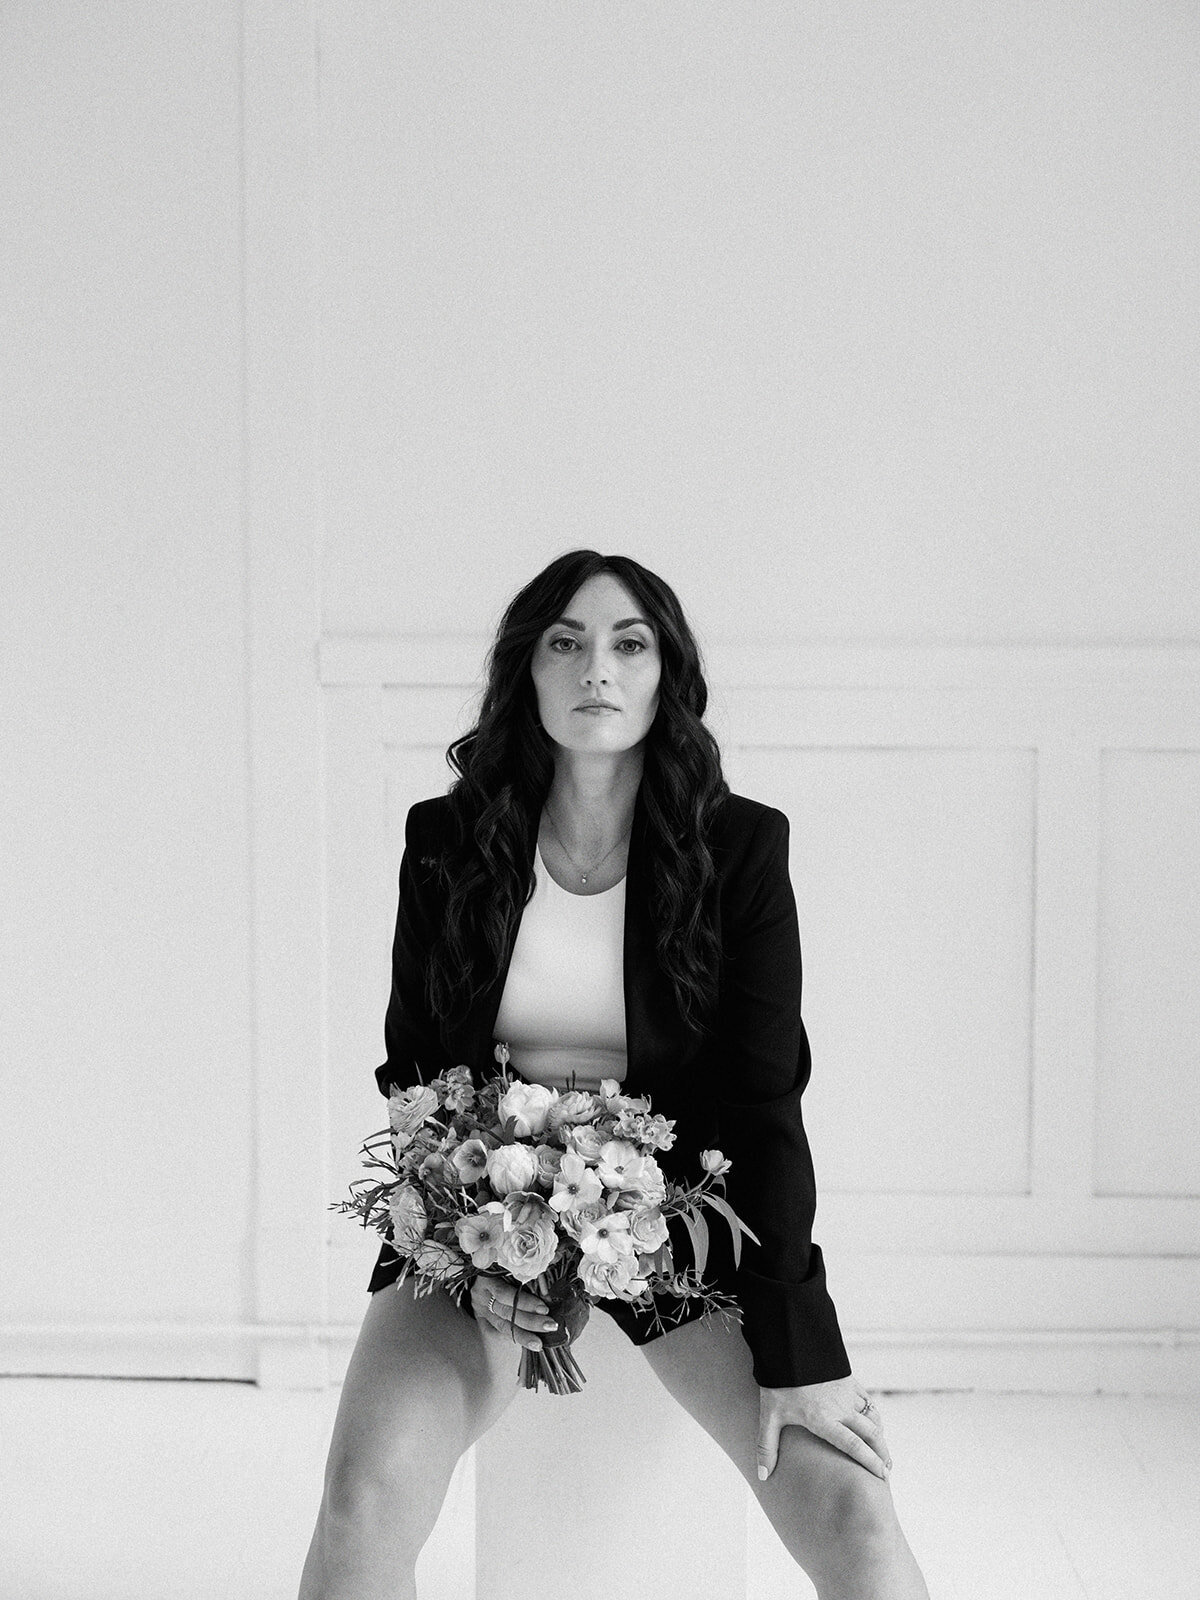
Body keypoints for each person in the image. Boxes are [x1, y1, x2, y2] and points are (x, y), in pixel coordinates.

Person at [298, 551, 929, 1600]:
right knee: (360, 1504)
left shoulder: (740, 849)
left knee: (853, 1514)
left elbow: (766, 1106)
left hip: (676, 1217)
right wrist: (491, 1250)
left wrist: (802, 1348)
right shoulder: (446, 841)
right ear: (528, 674)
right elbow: (415, 1067)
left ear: (663, 675)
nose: (598, 667)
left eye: (629, 643)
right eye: (567, 641)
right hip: (486, 1217)